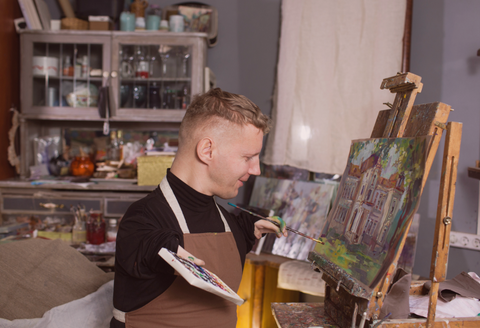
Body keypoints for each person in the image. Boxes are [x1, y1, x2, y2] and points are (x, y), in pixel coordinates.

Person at [111, 88, 287, 328]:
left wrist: (250, 228)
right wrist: (167, 250)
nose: (256, 169)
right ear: (207, 150)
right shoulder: (141, 220)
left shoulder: (230, 224)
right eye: (248, 157)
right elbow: (146, 244)